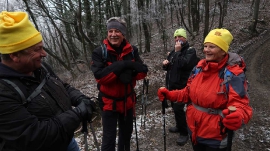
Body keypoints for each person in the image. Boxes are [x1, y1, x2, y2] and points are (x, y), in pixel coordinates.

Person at [0, 11, 96, 151]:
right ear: (15, 55)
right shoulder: (4, 92)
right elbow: (34, 135)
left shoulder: (39, 67)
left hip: (66, 141)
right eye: (37, 49)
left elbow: (60, 86)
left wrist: (80, 99)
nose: (44, 54)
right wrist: (77, 114)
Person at [157, 28, 253, 151]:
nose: (206, 50)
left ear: (223, 50)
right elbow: (188, 93)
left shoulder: (233, 74)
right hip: (195, 131)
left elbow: (241, 104)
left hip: (216, 136)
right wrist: (170, 94)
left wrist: (239, 116)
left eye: (212, 47)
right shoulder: (199, 68)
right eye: (205, 46)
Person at [91, 17, 148, 151]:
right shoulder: (99, 52)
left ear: (123, 34)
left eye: (117, 31)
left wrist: (131, 74)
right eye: (110, 31)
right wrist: (123, 66)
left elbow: (143, 71)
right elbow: (100, 78)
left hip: (128, 101)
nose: (113, 34)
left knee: (126, 135)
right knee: (108, 139)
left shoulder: (132, 50)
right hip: (108, 103)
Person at [162, 28, 198, 146]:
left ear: (185, 38)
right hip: (172, 85)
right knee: (175, 108)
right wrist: (165, 64)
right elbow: (170, 66)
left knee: (179, 109)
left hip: (183, 86)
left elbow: (184, 64)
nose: (177, 39)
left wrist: (177, 53)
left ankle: (184, 133)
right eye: (175, 37)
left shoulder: (190, 51)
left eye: (180, 37)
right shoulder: (173, 52)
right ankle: (179, 125)